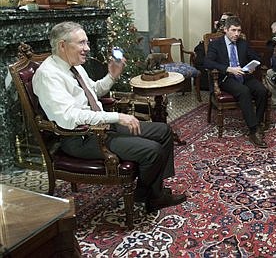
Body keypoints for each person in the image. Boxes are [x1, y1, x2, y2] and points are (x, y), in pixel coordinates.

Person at [32, 21, 186, 212]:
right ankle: (153, 196)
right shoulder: (48, 75)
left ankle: (148, 192)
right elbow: (68, 117)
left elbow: (94, 91)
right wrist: (116, 117)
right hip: (79, 138)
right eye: (81, 43)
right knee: (152, 150)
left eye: (87, 42)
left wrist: (112, 75)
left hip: (100, 127)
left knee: (163, 131)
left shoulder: (74, 66)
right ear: (62, 45)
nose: (87, 48)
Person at [204, 16, 269, 148]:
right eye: (233, 30)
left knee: (262, 91)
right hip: (226, 78)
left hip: (244, 75)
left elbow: (256, 57)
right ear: (225, 30)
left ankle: (256, 123)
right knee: (244, 91)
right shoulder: (215, 44)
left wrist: (252, 67)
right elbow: (207, 62)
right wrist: (228, 69)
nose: (237, 34)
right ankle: (253, 130)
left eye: (239, 31)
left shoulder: (242, 43)